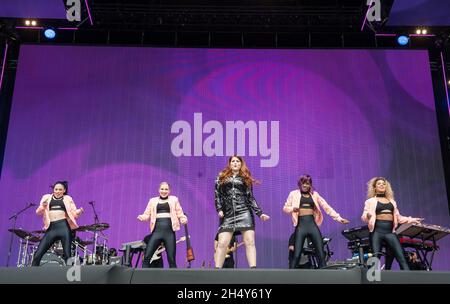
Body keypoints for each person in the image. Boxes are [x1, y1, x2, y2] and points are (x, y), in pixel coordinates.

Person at [214, 156, 270, 268]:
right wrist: (219, 209)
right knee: (222, 243)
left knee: (249, 242)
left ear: (241, 164)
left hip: (244, 212)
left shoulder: (245, 178)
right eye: (233, 161)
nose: (235, 163)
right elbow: (217, 196)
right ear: (229, 164)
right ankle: (217, 270)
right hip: (228, 214)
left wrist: (259, 213)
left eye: (237, 161)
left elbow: (250, 198)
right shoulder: (221, 177)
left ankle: (253, 269)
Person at [283, 174, 349, 269]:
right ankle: (291, 277)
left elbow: (326, 207)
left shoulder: (314, 195)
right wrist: (293, 208)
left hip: (312, 226)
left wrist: (339, 218)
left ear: (310, 185)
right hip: (301, 227)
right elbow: (285, 208)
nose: (305, 185)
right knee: (297, 254)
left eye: (308, 183)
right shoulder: (293, 194)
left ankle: (324, 278)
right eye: (303, 183)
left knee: (321, 253)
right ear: (300, 184)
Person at [361, 177, 423, 270]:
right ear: (374, 188)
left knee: (401, 256)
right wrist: (368, 216)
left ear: (386, 187)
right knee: (375, 257)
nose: (382, 185)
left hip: (390, 232)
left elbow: (398, 218)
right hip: (377, 231)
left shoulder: (392, 202)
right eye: (379, 184)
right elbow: (364, 216)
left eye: (383, 183)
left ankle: (408, 280)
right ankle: (371, 280)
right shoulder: (370, 201)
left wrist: (412, 220)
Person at [32, 181, 84, 266]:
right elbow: (38, 212)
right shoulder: (47, 197)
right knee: (38, 254)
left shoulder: (68, 198)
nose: (58, 191)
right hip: (51, 228)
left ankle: (69, 276)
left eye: (60, 189)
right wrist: (43, 206)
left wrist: (80, 211)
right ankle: (32, 274)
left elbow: (74, 214)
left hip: (63, 227)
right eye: (56, 189)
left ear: (64, 190)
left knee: (68, 255)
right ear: (53, 189)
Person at [138, 182, 187, 268]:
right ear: (159, 190)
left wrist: (183, 219)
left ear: (169, 191)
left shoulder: (174, 199)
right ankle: (142, 278)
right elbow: (147, 214)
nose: (164, 191)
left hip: (169, 233)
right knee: (147, 256)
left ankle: (174, 279)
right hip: (157, 232)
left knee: (171, 259)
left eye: (166, 189)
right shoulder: (152, 201)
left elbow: (180, 213)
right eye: (162, 189)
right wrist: (142, 217)